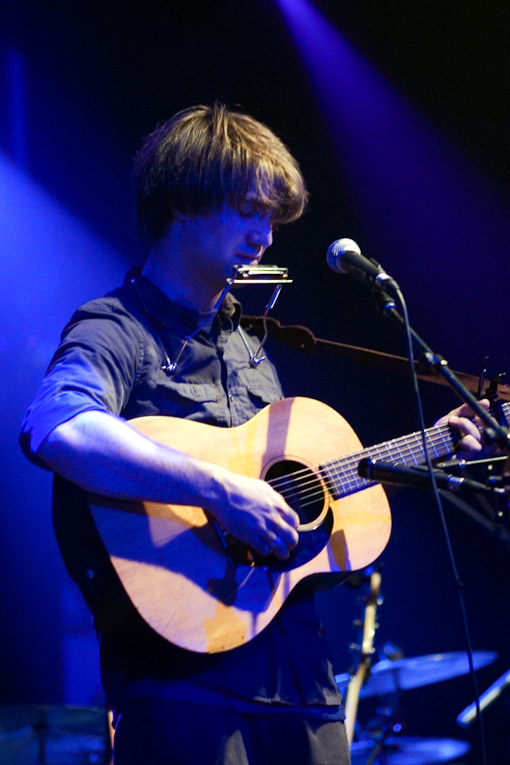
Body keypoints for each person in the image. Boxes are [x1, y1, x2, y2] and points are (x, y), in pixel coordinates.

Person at [20, 103, 485, 764]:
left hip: (300, 677)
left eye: (272, 217)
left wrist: (437, 441)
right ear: (184, 201)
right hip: (182, 680)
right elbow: (58, 426)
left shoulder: (253, 350)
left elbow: (299, 497)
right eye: (248, 210)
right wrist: (220, 491)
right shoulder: (116, 327)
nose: (265, 237)